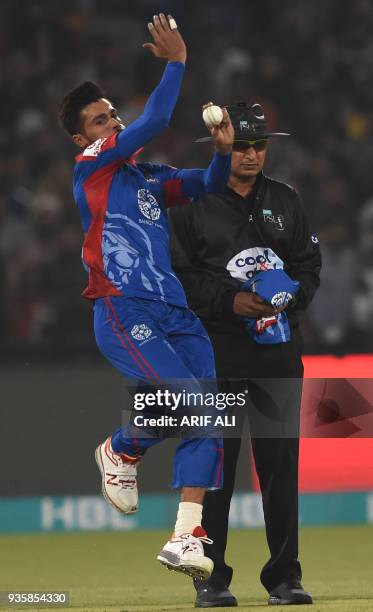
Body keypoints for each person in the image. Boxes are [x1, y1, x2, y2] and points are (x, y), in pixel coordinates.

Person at [59, 13, 234, 579]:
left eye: (112, 113)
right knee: (188, 398)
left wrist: (224, 151)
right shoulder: (91, 166)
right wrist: (178, 61)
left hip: (177, 313)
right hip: (122, 305)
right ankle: (121, 446)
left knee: (211, 409)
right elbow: (157, 115)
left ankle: (186, 536)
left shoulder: (148, 176)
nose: (112, 122)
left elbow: (207, 185)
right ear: (83, 138)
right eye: (100, 119)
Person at [169, 101, 321, 605]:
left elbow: (307, 266)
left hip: (277, 354)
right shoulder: (193, 204)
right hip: (216, 353)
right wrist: (229, 300)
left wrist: (289, 297)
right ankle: (209, 579)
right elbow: (178, 279)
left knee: (281, 468)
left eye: (259, 145)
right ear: (220, 147)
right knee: (215, 469)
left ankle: (285, 578)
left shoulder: (287, 200)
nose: (252, 154)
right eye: (241, 146)